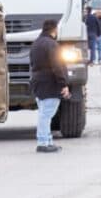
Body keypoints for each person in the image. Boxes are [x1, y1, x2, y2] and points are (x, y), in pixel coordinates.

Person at [29, 20, 70, 153]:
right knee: (46, 115)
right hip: (50, 83)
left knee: (44, 112)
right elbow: (57, 66)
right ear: (54, 29)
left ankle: (48, 140)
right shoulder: (52, 44)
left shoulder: (36, 43)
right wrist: (63, 84)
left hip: (38, 82)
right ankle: (43, 142)